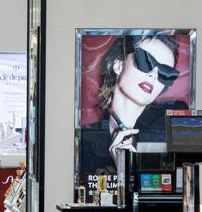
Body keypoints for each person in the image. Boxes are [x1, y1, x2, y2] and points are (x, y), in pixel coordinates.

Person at [78, 32, 187, 185]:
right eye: (146, 62)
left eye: (164, 73)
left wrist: (128, 169)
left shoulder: (169, 130)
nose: (154, 75)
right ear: (118, 64)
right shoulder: (86, 136)